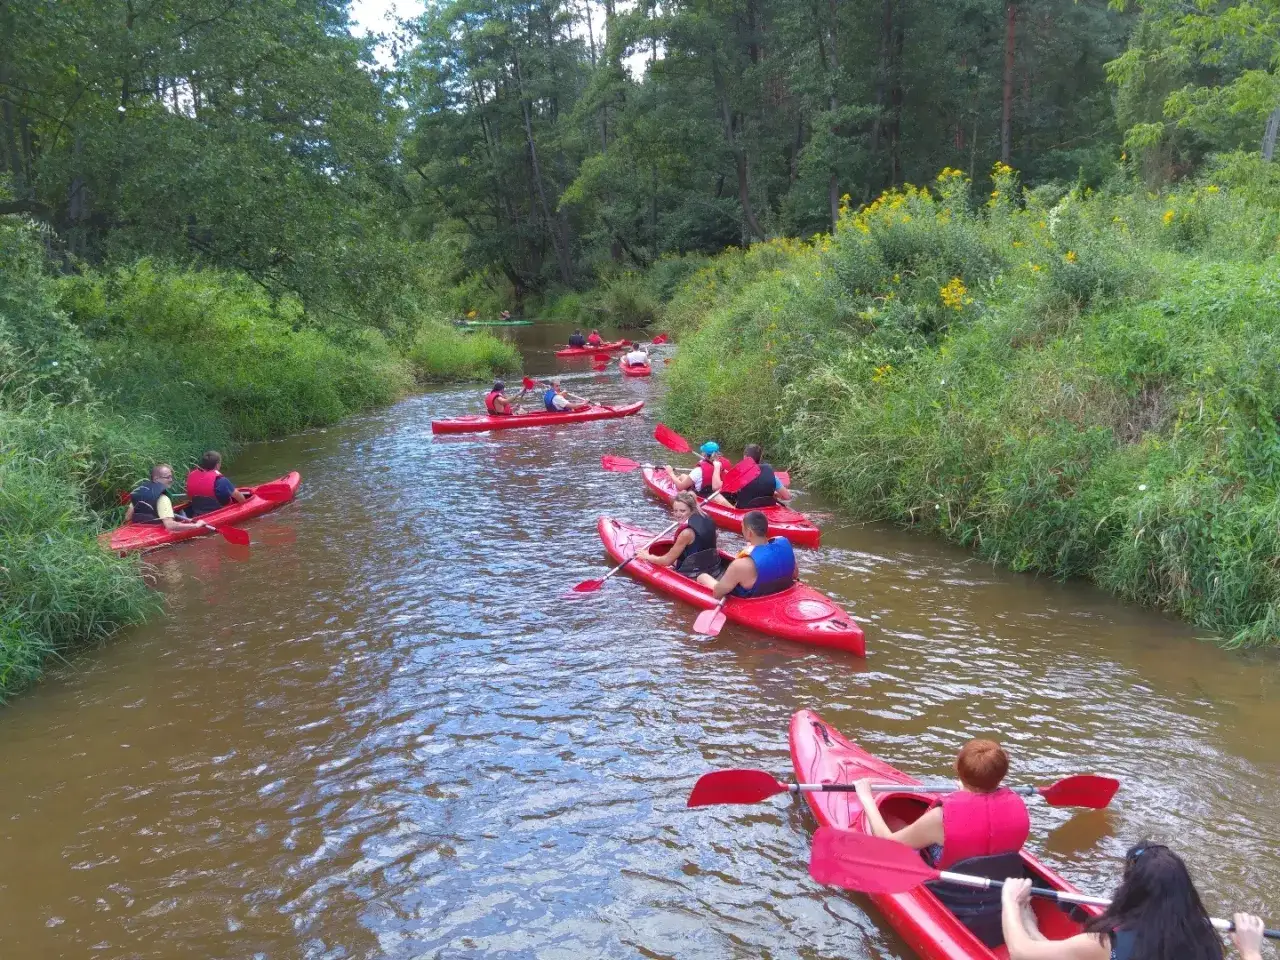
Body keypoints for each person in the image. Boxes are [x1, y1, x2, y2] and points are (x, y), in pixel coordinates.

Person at [1001, 844, 1264, 960]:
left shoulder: (1105, 943)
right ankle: (1034, 928)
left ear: (1131, 890)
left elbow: (1020, 953)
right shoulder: (1206, 940)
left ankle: (1031, 925)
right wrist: (1251, 952)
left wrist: (1011, 903)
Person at [853, 739, 1030, 869]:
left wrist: (867, 798)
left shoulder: (940, 819)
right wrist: (966, 790)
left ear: (959, 772)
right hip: (994, 876)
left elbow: (888, 843)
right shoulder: (1018, 805)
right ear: (1002, 775)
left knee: (892, 822)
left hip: (949, 888)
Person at [696, 510, 797, 598]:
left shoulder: (740, 565)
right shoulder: (783, 542)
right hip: (780, 590)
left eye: (742, 527)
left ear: (749, 533)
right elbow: (795, 574)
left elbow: (717, 594)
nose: (742, 530)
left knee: (702, 576)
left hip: (754, 597)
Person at [637, 491, 721, 577]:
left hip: (694, 573)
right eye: (675, 510)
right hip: (713, 567)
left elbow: (666, 561)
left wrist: (647, 556)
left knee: (666, 557)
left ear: (692, 510)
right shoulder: (706, 517)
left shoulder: (686, 533)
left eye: (682, 511)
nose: (678, 514)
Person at [124, 464, 219, 535]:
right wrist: (196, 526)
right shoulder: (163, 498)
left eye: (171, 477)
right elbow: (170, 526)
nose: (171, 480)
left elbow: (128, 517)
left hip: (138, 530)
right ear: (156, 479)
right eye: (168, 477)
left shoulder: (140, 492)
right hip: (155, 533)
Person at [710, 443, 791, 508]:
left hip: (745, 511)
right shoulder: (771, 474)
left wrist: (717, 467)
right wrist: (773, 494)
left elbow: (715, 487)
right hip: (767, 506)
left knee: (716, 496)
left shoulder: (740, 474)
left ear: (745, 457)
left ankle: (733, 509)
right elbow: (787, 497)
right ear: (760, 457)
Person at [184, 451, 247, 517]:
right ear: (217, 465)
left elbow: (189, 497)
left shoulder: (191, 475)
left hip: (197, 512)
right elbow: (240, 498)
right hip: (217, 513)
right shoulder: (221, 480)